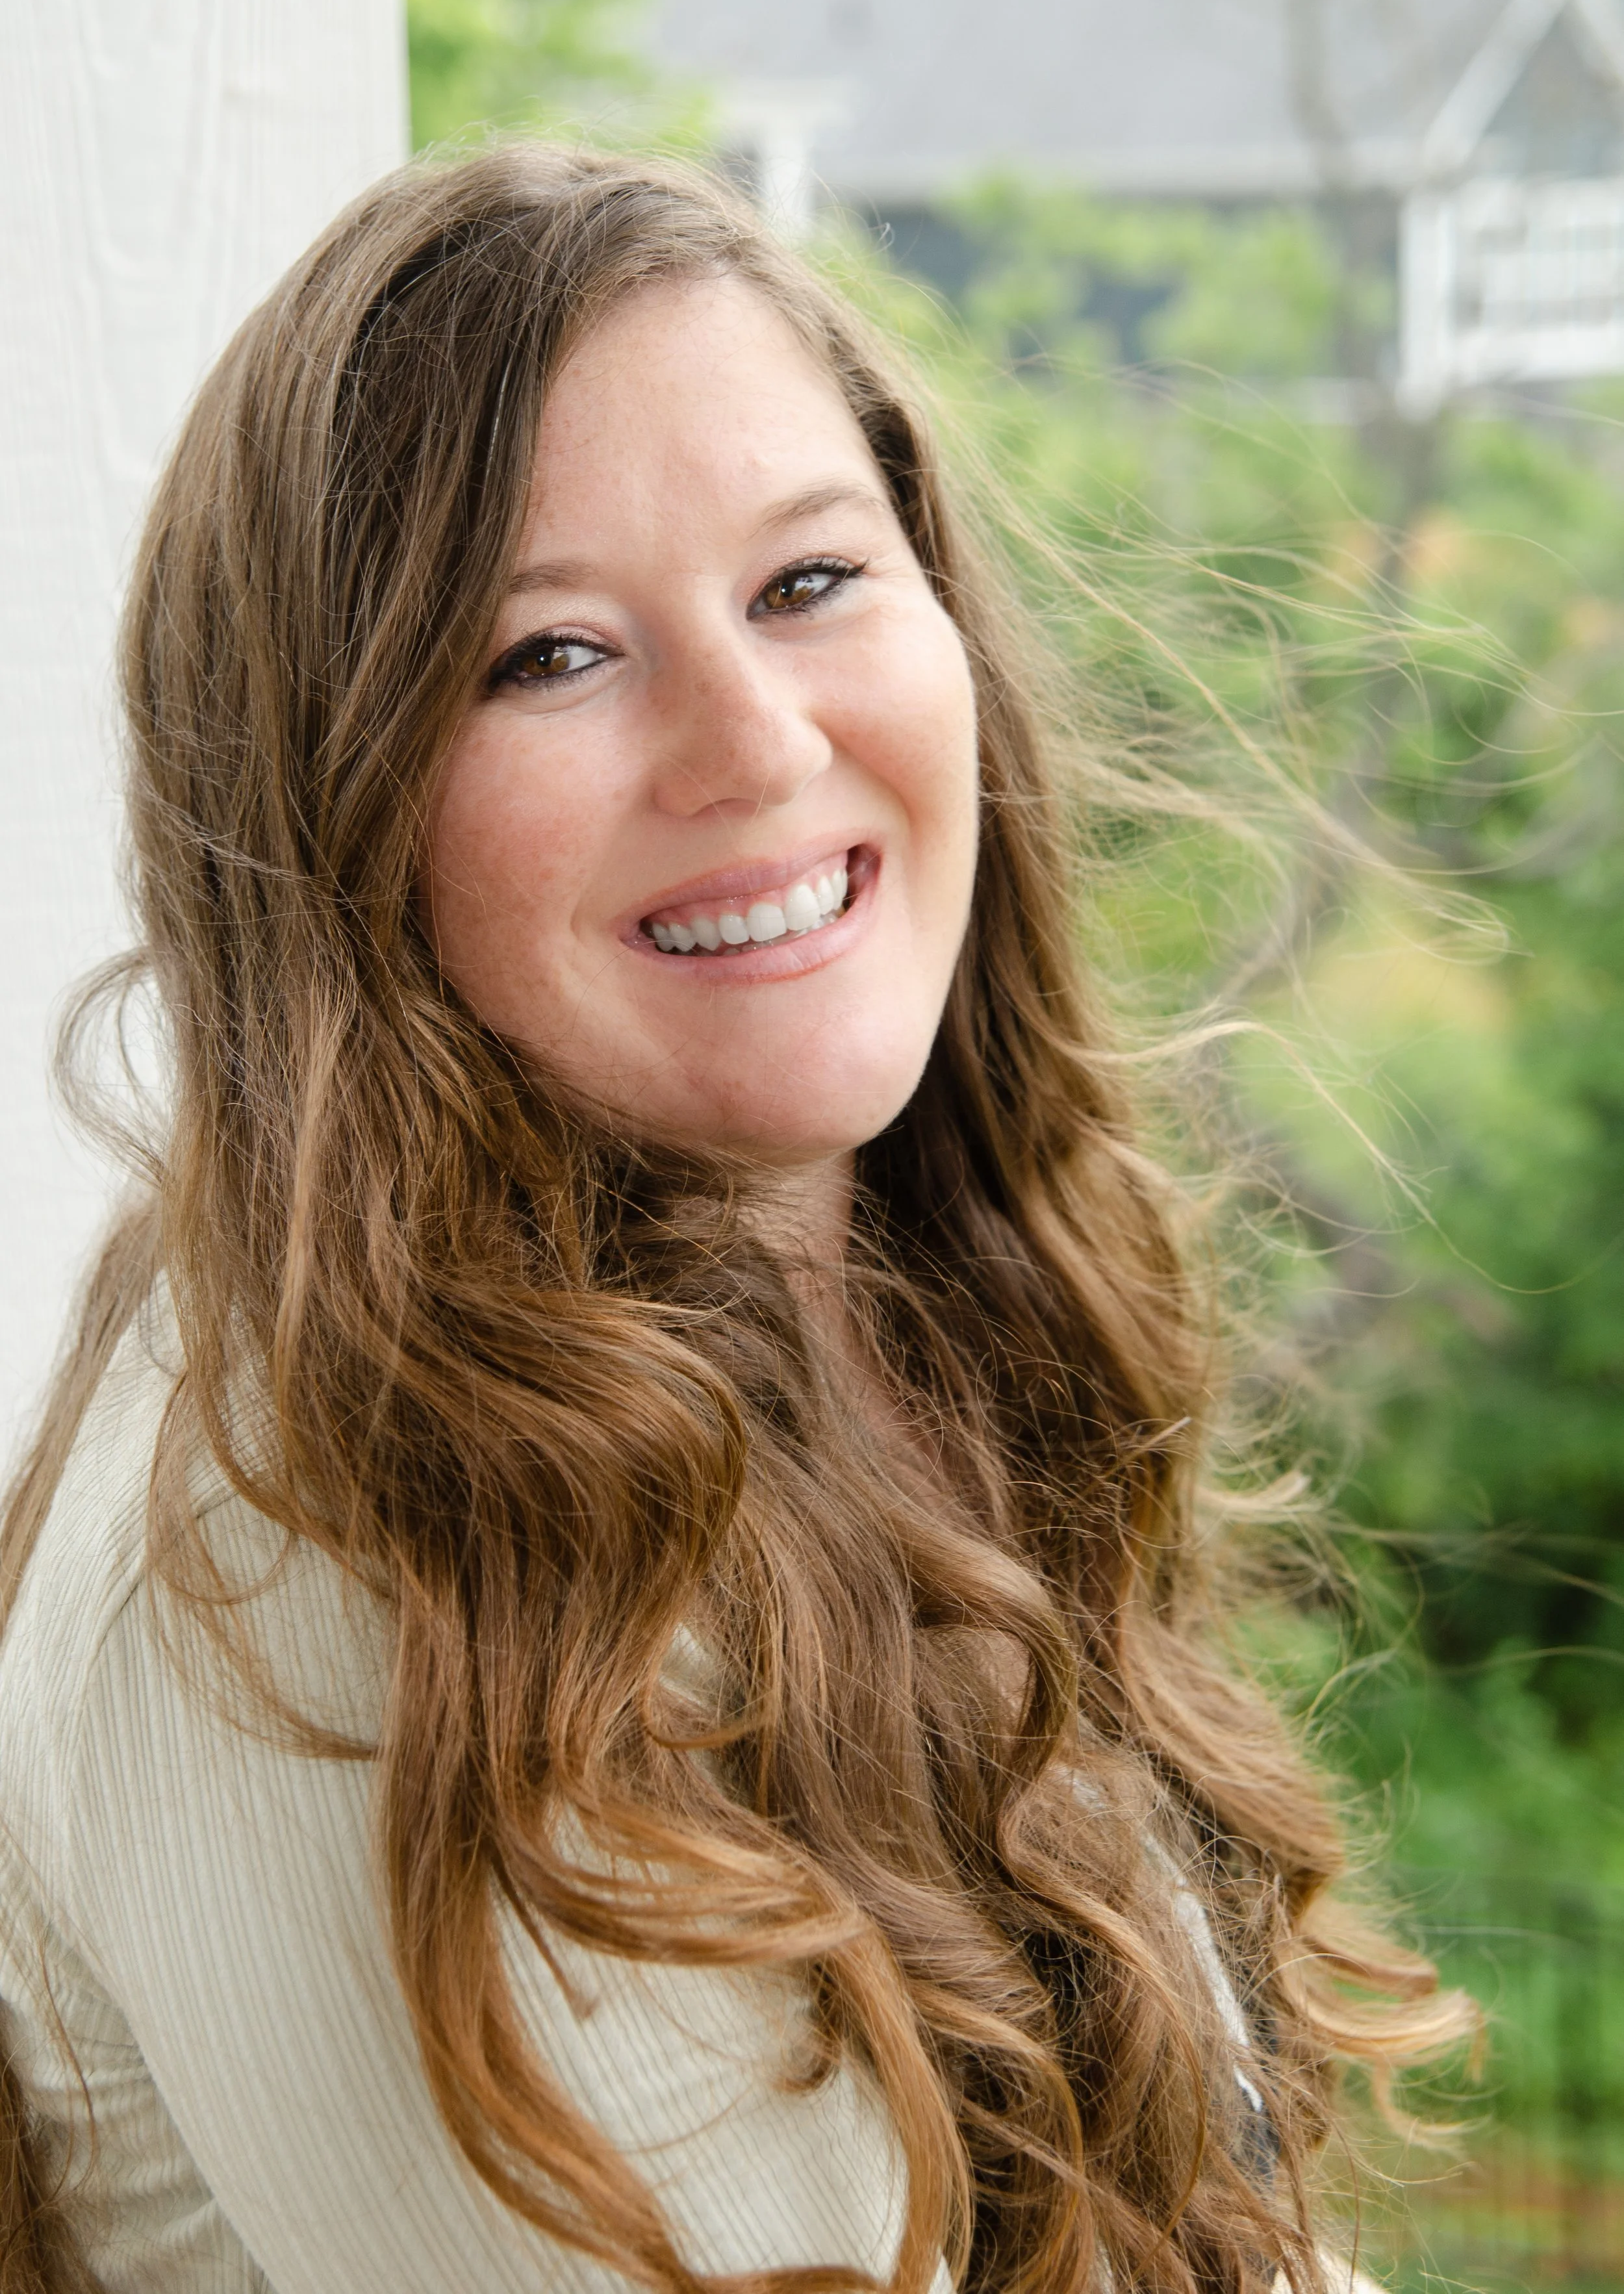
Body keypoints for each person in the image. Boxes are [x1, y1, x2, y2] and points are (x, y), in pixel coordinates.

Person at [0, 148, 1463, 2294]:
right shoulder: (319, 1570)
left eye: (806, 585)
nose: (758, 745)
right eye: (554, 653)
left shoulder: (871, 1318)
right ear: (332, 806)